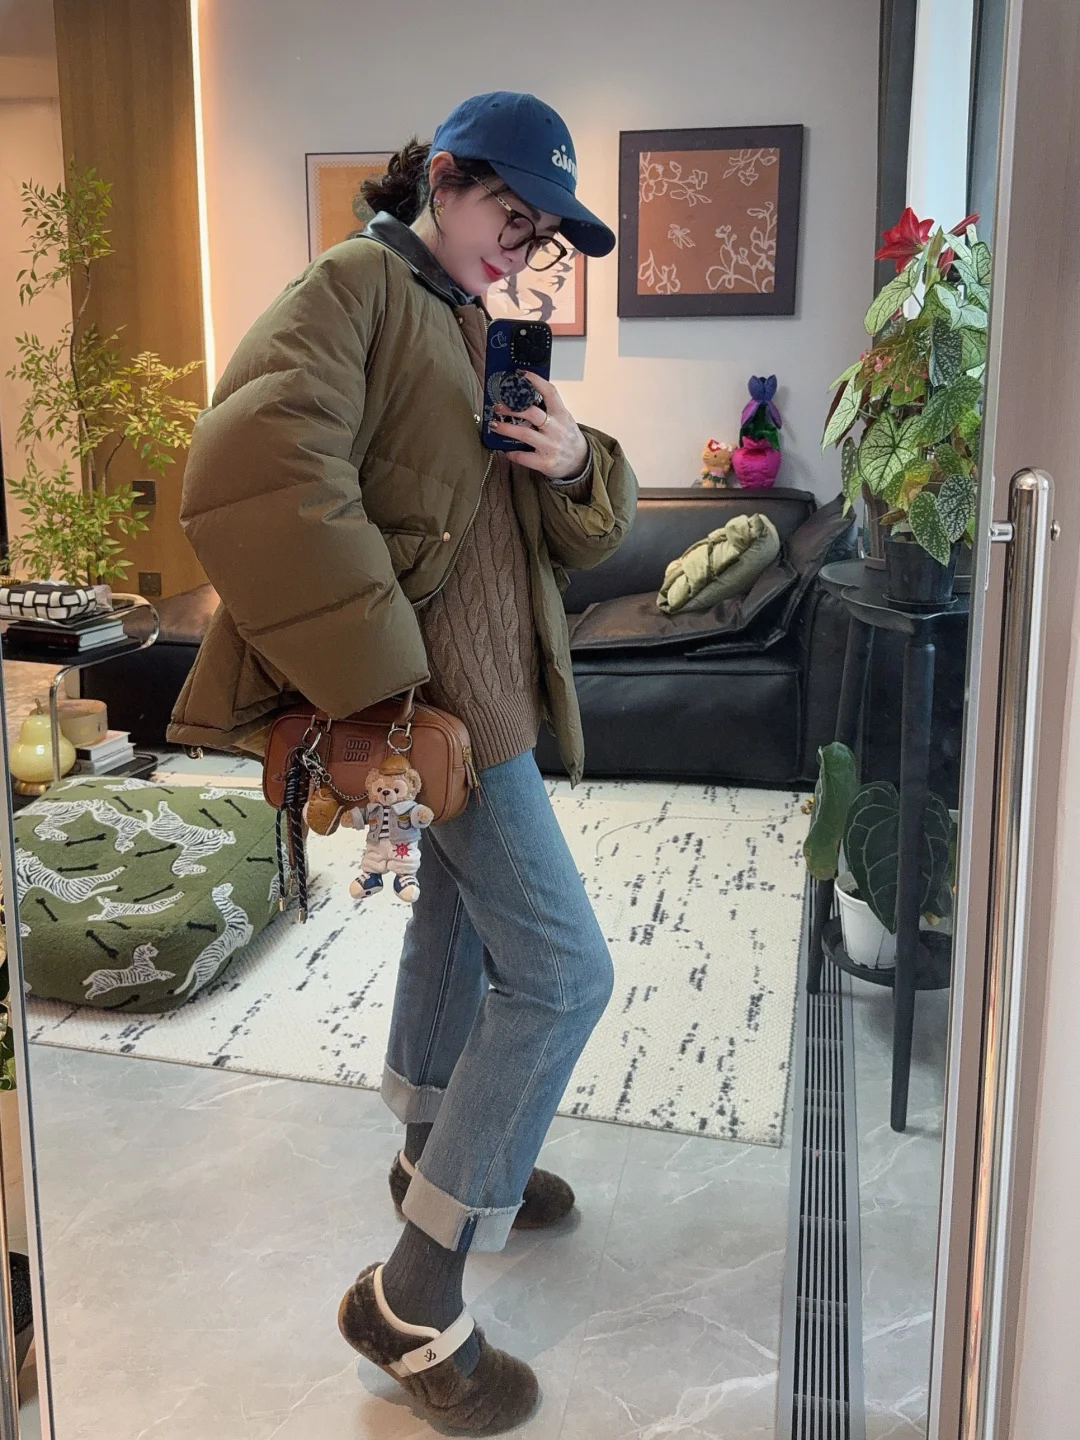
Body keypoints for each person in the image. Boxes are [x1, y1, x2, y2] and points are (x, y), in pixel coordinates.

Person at [166, 90, 637, 1434]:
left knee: (463, 925)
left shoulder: (473, 320)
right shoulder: (358, 286)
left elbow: (561, 534)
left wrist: (574, 459)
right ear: (443, 179)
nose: (521, 245)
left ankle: (436, 1154)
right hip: (440, 709)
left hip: (494, 704)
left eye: (540, 232)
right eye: (509, 213)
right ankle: (415, 1294)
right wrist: (381, 678)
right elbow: (255, 468)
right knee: (564, 972)